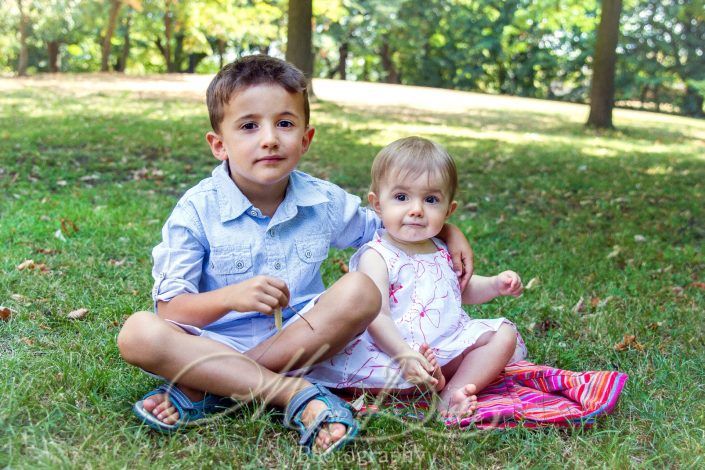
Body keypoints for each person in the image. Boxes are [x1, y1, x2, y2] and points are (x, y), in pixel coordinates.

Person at [116, 56, 475, 453]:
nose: (269, 138)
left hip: (303, 343)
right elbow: (171, 311)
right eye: (249, 125)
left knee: (360, 290)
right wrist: (230, 298)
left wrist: (447, 229)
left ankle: (209, 387)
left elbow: (389, 224)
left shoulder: (323, 200)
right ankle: (292, 394)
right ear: (219, 144)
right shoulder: (196, 211)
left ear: (305, 139)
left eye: (285, 124)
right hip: (210, 345)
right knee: (138, 333)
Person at [305, 136, 527, 420]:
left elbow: (462, 290)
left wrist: (496, 284)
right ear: (377, 204)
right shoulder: (378, 255)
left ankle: (454, 393)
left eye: (431, 199)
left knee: (503, 334)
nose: (416, 209)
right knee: (392, 374)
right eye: (401, 197)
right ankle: (420, 382)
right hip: (394, 352)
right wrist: (403, 355)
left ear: (449, 211)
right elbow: (377, 316)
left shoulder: (442, 248)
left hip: (445, 345)